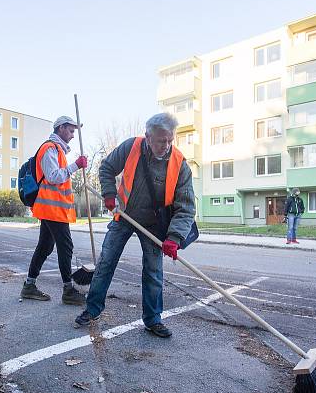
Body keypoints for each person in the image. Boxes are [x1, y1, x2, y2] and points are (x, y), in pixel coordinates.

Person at [74, 113, 196, 338]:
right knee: (106, 261)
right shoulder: (131, 147)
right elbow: (107, 168)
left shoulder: (180, 164)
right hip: (125, 215)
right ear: (148, 137)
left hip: (153, 225)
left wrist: (174, 238)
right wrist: (109, 194)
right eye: (161, 141)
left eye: (170, 140)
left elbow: (186, 206)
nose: (166, 146)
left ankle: (153, 320)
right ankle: (92, 309)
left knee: (153, 270)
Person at [21, 116, 88, 305]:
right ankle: (68, 290)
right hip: (51, 209)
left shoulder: (57, 149)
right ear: (60, 128)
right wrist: (76, 165)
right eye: (71, 130)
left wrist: (74, 165)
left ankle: (29, 285)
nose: (73, 135)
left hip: (52, 208)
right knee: (65, 247)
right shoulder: (50, 148)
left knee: (45, 247)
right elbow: (53, 176)